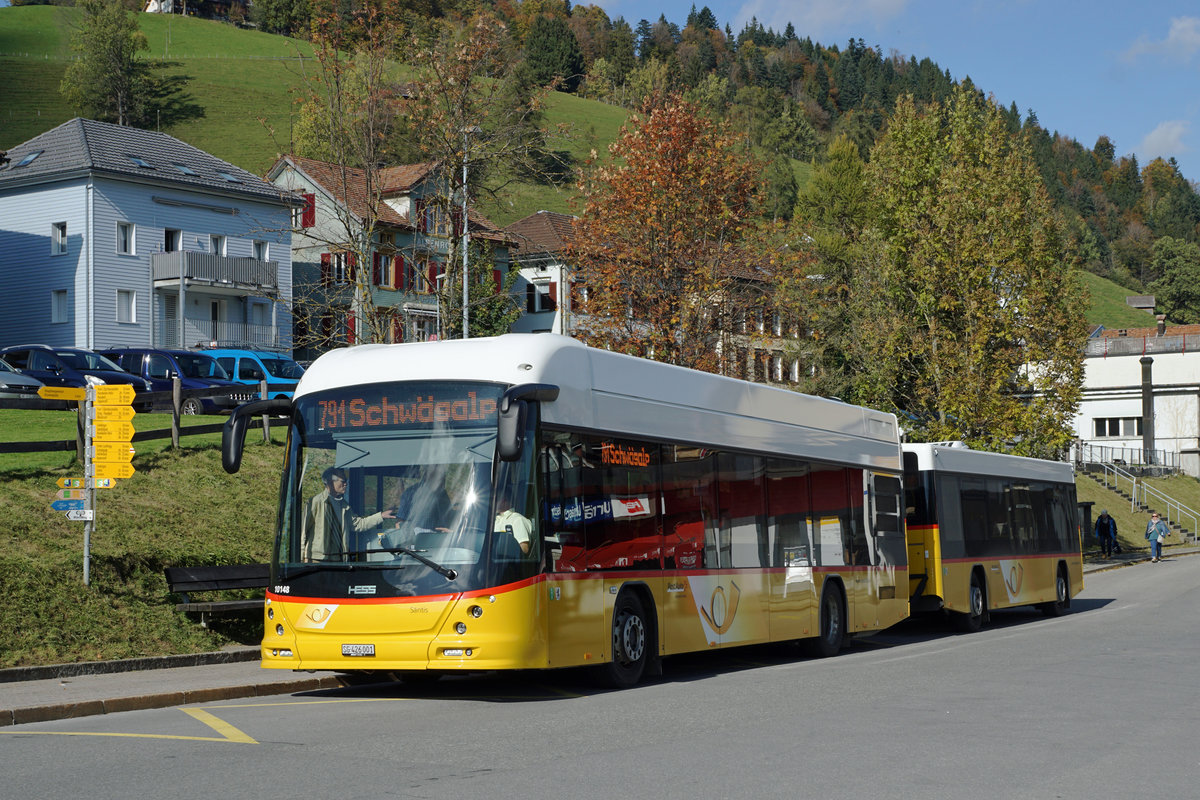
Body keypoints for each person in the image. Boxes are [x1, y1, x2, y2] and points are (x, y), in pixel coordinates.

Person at [303, 467, 394, 561]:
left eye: (346, 481)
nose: (346, 484)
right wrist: (300, 561)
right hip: (317, 560)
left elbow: (358, 524)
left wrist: (381, 516)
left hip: (338, 560)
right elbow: (302, 533)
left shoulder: (343, 505)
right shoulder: (315, 502)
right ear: (330, 482)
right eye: (343, 481)